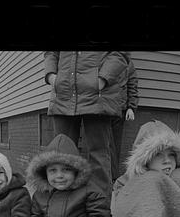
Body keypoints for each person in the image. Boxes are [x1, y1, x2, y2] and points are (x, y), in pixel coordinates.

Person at [43, 51, 131, 197]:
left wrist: (101, 79)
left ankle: (100, 208)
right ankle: (62, 207)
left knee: (99, 154)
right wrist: (52, 77)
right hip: (64, 94)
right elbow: (51, 52)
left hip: (98, 95)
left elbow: (120, 53)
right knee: (61, 155)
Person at [112, 120, 180, 200]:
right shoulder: (124, 185)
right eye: (158, 155)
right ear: (145, 160)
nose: (167, 160)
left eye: (171, 155)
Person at [111, 60, 139, 180]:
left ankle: (112, 178)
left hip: (118, 111)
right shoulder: (99, 57)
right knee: (98, 147)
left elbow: (132, 85)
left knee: (114, 147)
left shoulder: (127, 63)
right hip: (98, 111)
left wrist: (131, 107)